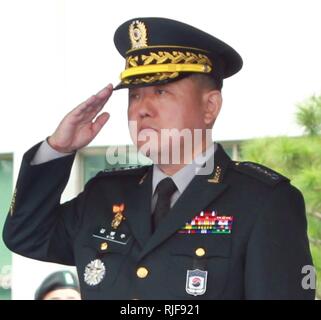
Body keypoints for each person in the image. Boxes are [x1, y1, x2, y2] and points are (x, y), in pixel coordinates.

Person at [3, 17, 315, 299]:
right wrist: (58, 149)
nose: (141, 108)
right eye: (135, 95)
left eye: (161, 92)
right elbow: (27, 236)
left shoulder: (262, 202)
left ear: (210, 107)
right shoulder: (105, 195)